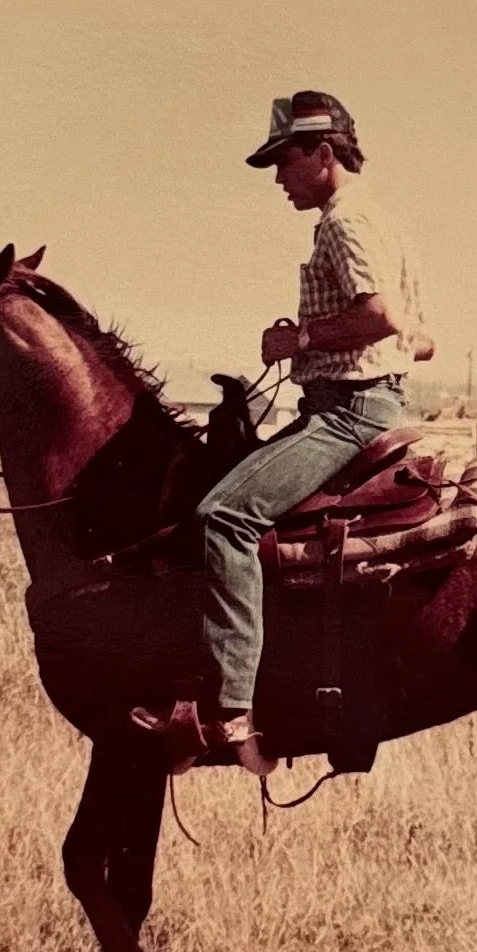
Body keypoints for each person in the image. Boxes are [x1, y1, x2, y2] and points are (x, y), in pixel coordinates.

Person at [135, 91, 433, 772]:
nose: (278, 179)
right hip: (373, 399)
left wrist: (298, 339)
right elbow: (423, 340)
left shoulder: (342, 224)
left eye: (284, 162)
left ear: (323, 154)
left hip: (348, 412)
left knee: (224, 516)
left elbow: (382, 316)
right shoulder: (387, 224)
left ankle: (230, 706)